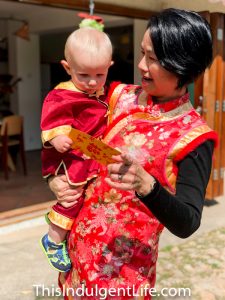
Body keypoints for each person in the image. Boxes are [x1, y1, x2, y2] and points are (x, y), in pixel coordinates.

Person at [48, 8, 218, 299]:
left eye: (152, 59)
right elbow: (68, 132)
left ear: (181, 66)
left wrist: (146, 185)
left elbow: (188, 221)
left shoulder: (194, 136)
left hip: (124, 277)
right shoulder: (117, 96)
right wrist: (56, 178)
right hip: (78, 261)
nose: (140, 65)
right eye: (143, 53)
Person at [40, 26, 113, 272]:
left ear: (109, 67)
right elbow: (50, 121)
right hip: (70, 157)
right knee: (70, 197)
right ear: (67, 67)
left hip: (93, 155)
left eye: (99, 75)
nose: (92, 82)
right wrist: (56, 137)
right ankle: (53, 238)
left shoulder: (105, 91)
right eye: (83, 75)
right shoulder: (61, 95)